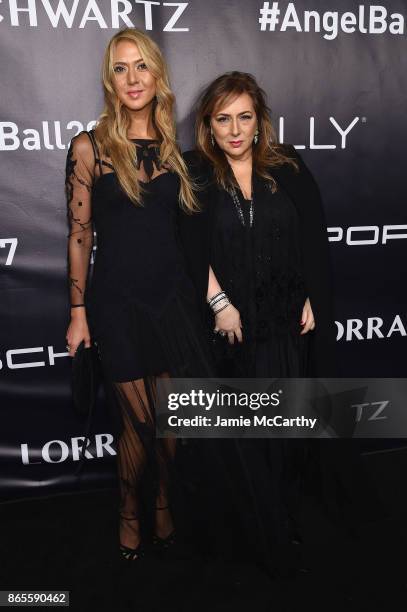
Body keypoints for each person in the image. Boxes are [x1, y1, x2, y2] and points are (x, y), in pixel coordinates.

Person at [178, 71, 338, 573]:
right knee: (238, 430)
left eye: (244, 117)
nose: (234, 129)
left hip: (284, 319)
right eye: (222, 119)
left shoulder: (287, 166)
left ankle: (282, 514)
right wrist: (219, 302)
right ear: (208, 124)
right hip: (228, 325)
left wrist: (314, 293)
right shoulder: (195, 171)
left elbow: (313, 236)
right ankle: (245, 523)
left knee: (284, 425)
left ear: (259, 120)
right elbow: (184, 249)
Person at [64, 28, 212, 562]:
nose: (132, 78)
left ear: (157, 76)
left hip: (172, 300)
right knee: (139, 423)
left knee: (171, 421)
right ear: (111, 78)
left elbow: (193, 238)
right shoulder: (90, 147)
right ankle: (129, 505)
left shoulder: (179, 151)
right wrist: (78, 310)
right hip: (117, 304)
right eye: (121, 68)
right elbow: (80, 234)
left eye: (142, 66)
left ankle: (164, 502)